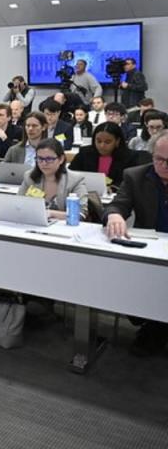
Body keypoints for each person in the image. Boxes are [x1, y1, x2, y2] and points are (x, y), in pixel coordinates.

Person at [103, 130, 168, 355]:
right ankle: (153, 325)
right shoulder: (136, 175)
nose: (165, 165)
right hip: (149, 249)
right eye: (160, 160)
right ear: (151, 156)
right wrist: (114, 215)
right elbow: (117, 205)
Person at [17, 139, 89, 221]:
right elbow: (18, 205)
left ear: (61, 159)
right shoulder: (29, 177)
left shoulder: (75, 180)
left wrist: (50, 213)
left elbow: (80, 214)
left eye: (49, 159)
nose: (44, 163)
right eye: (40, 159)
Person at [69, 122, 151, 191]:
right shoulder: (85, 153)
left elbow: (130, 181)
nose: (102, 145)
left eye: (107, 142)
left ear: (117, 141)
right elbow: (71, 174)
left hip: (116, 196)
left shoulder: (130, 157)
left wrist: (113, 188)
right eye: (98, 141)